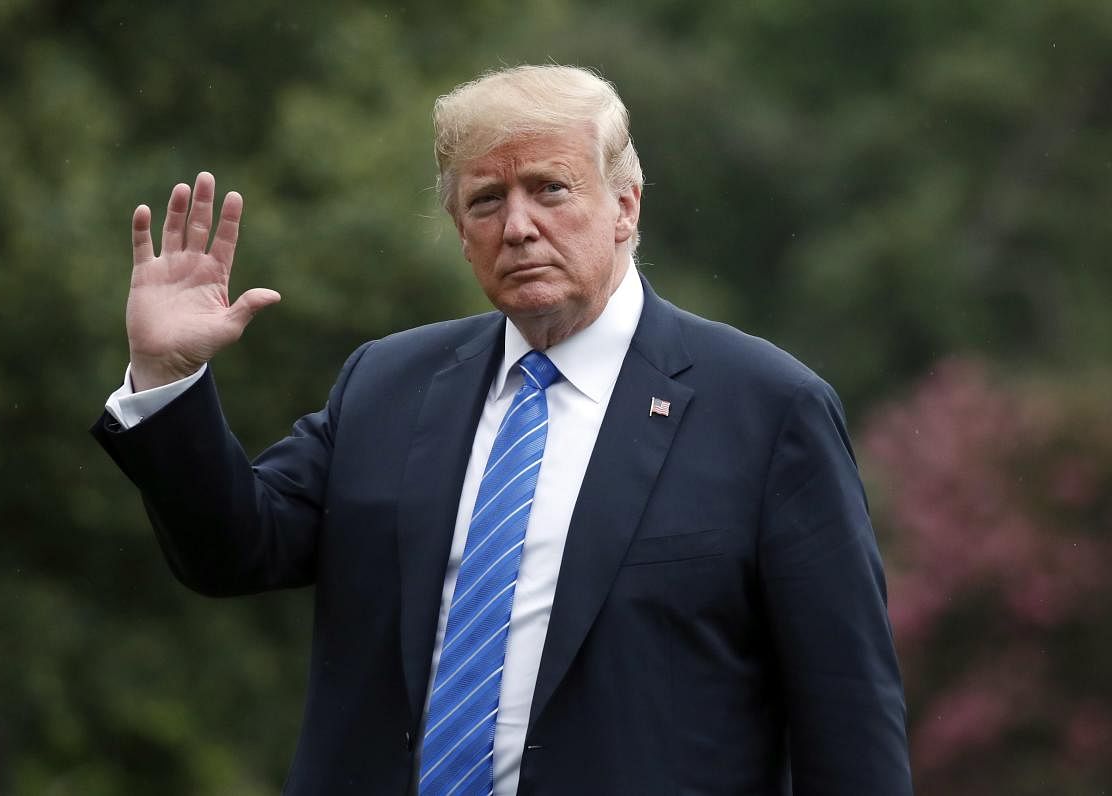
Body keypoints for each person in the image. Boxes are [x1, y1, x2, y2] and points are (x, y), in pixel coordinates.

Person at [93, 65, 913, 795]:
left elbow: (848, 714)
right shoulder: (388, 385)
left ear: (624, 204)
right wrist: (168, 379)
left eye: (550, 189)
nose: (517, 225)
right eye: (487, 200)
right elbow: (235, 549)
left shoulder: (767, 409)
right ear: (461, 232)